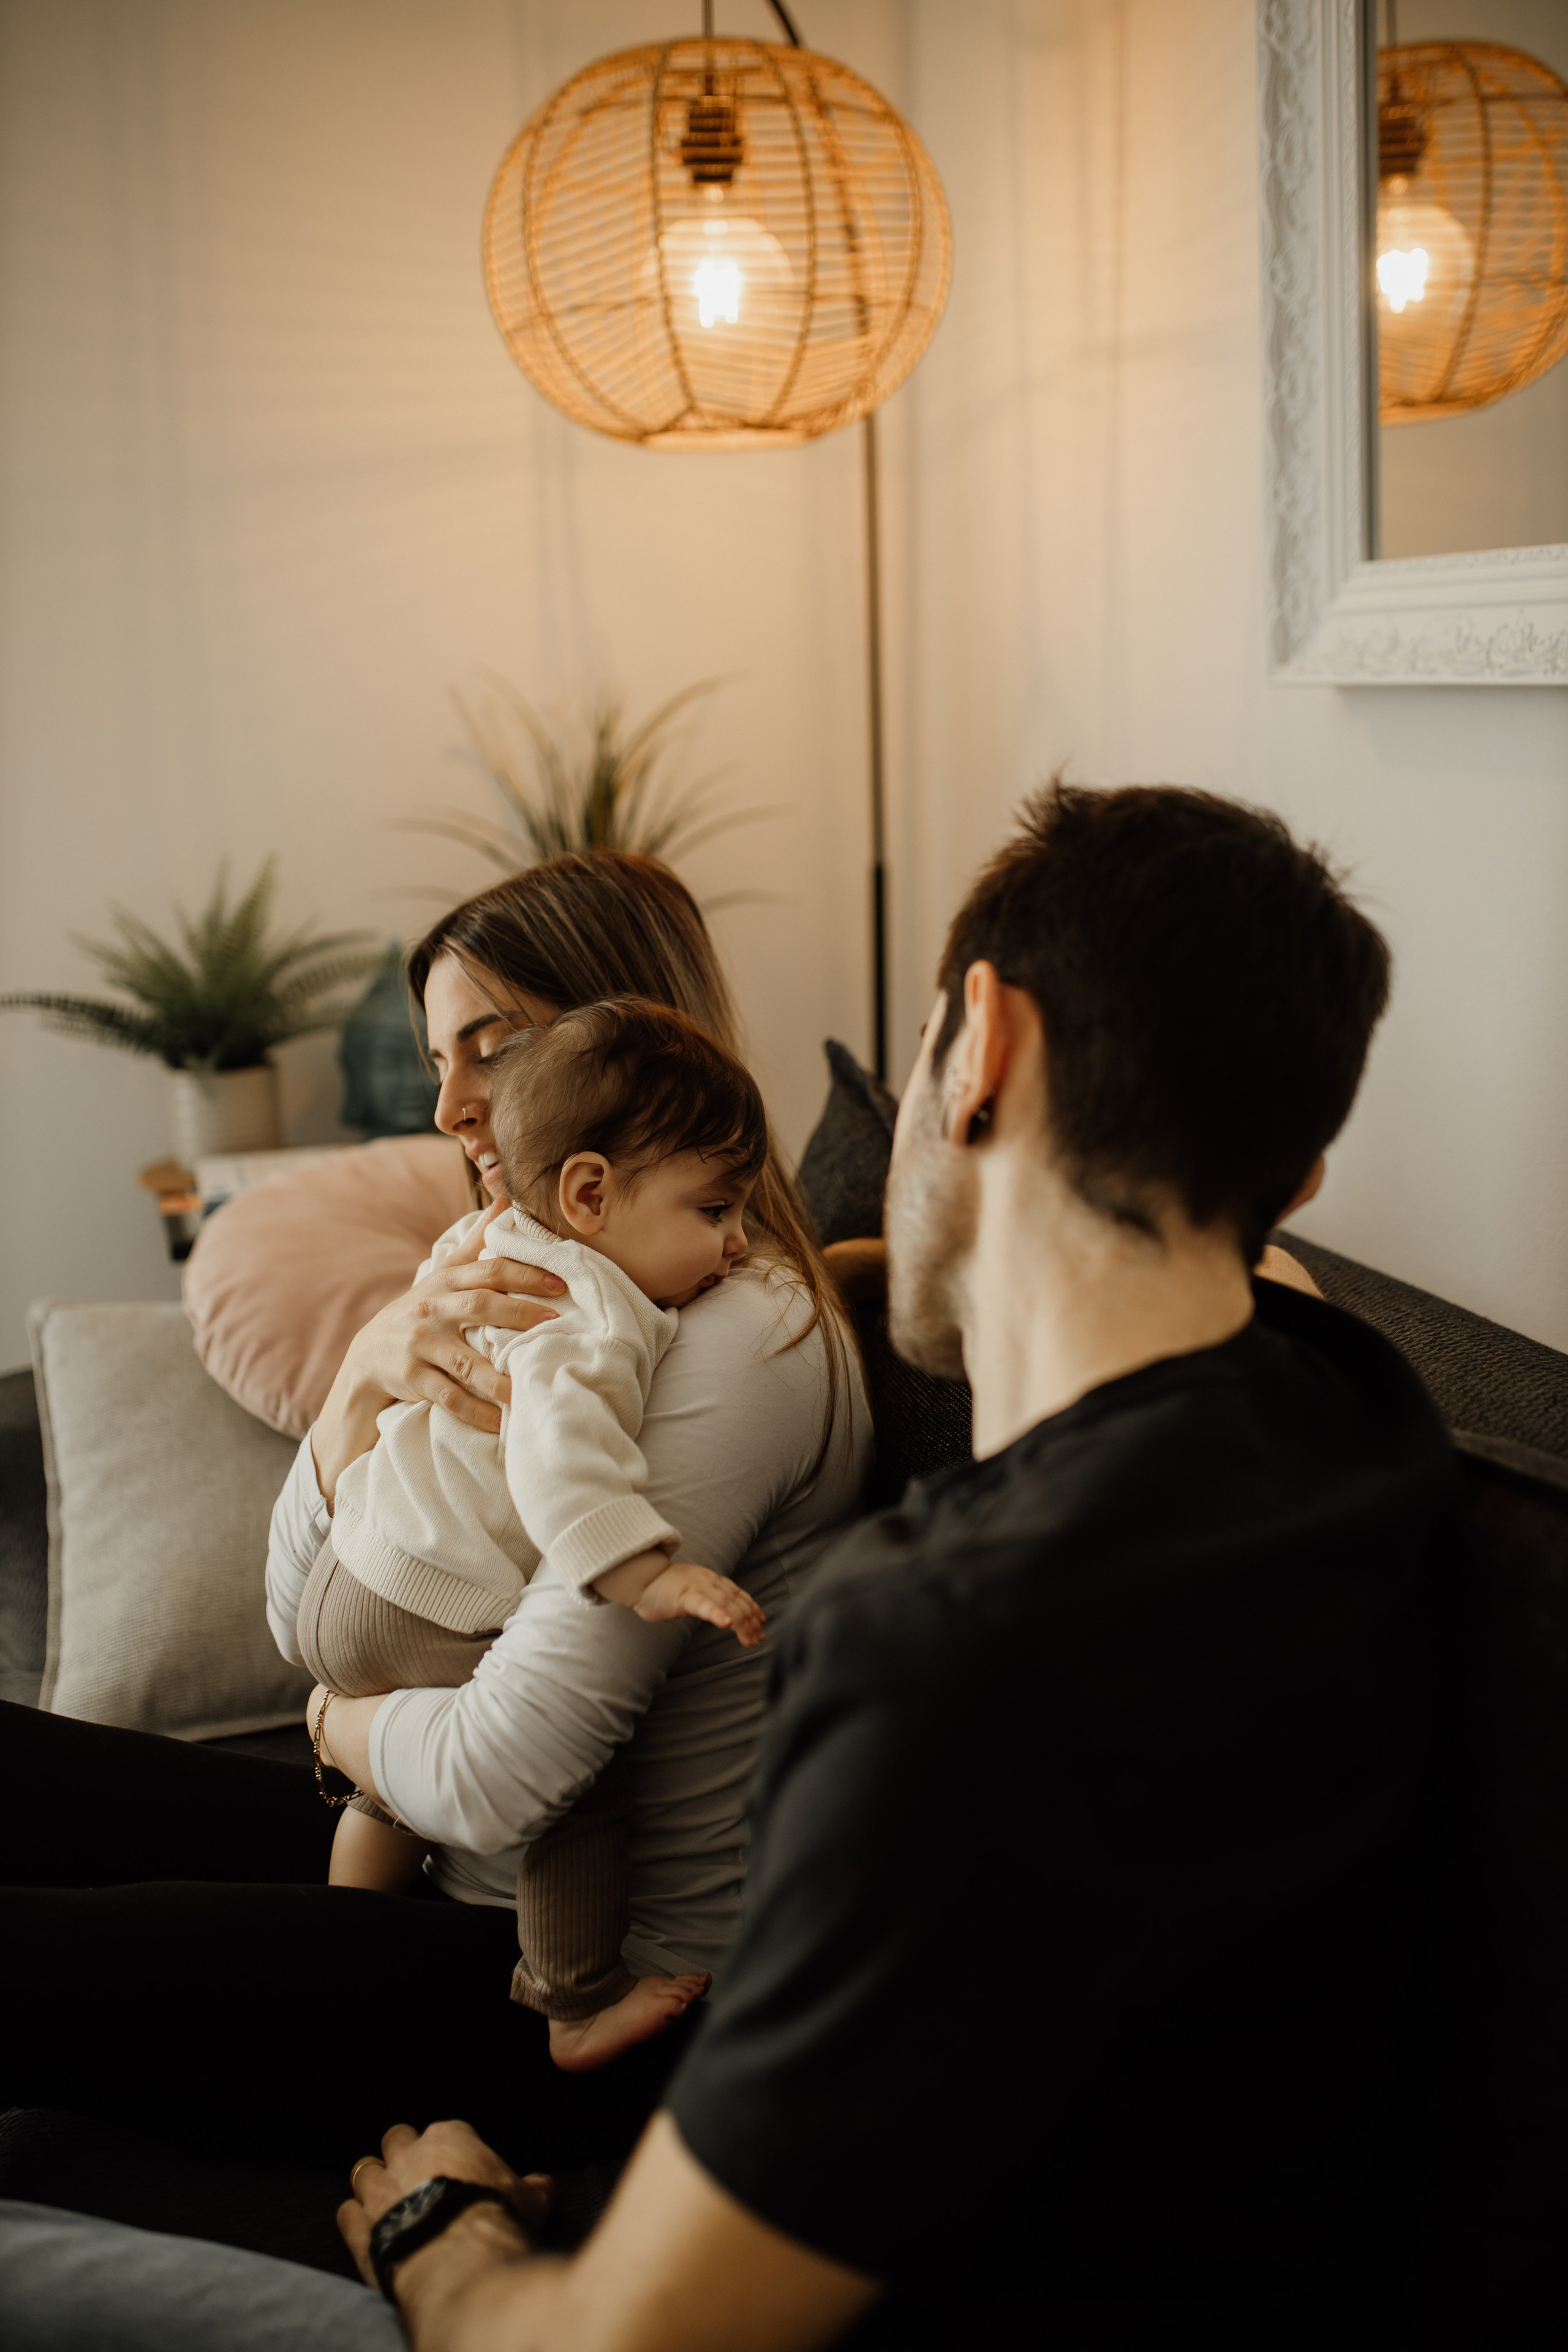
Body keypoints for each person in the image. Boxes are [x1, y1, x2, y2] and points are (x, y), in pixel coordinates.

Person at [0, 783, 1459, 2347]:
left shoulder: (944, 1647)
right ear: (1289, 1177)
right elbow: (1248, 1271)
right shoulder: (1352, 1420)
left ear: (981, 1047)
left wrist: (440, 2240)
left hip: (578, 2005)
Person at [0, 851, 868, 2189]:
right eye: (436, 1058)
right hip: (441, 1861)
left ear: (630, 1039)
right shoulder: (541, 1279)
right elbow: (302, 1615)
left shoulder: (735, 1340)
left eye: (492, 1047)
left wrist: (338, 1730)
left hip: (572, 1982)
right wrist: (363, 1383)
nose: (451, 1104)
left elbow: (503, 1773)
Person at [301, 999, 772, 2074]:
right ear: (590, 1193)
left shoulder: (484, 1240)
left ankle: (341, 1940)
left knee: (385, 1792)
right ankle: (574, 1999)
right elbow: (563, 1443)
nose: (738, 1244)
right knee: (583, 1787)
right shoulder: (590, 1305)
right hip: (426, 1594)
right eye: (714, 1211)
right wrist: (641, 1573)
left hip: (351, 1574)